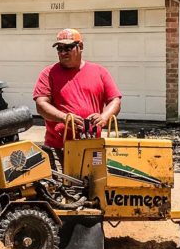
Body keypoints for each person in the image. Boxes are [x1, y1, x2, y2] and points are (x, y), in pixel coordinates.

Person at [33, 28, 122, 166]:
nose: (63, 52)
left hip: (92, 147)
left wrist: (103, 117)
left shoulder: (99, 72)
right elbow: (41, 105)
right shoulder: (48, 73)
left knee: (95, 183)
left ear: (80, 47)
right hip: (58, 147)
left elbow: (114, 100)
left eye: (68, 48)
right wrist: (64, 118)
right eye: (59, 49)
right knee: (60, 186)